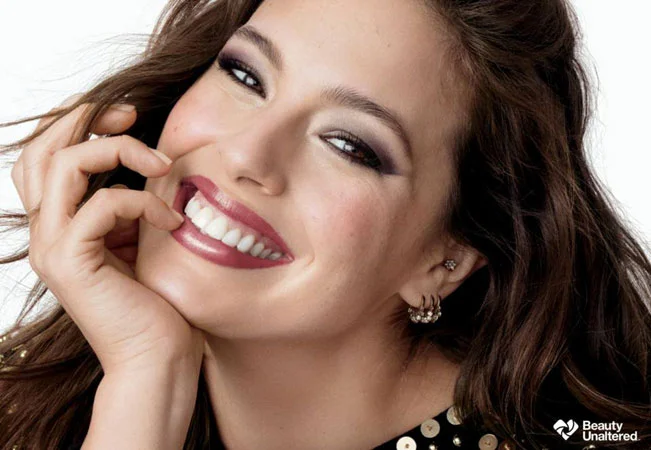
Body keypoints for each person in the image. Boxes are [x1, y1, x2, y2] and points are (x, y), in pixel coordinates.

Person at [0, 0, 649, 448]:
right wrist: (147, 380)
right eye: (245, 74)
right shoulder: (35, 401)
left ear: (444, 260)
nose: (247, 155)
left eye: (349, 145)